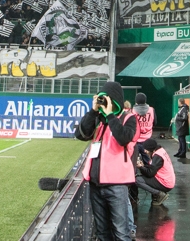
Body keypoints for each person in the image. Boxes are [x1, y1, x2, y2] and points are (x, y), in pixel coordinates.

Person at [75, 81, 138, 241]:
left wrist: (110, 115)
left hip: (117, 184)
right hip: (96, 183)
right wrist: (93, 111)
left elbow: (123, 138)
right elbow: (80, 134)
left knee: (121, 233)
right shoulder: (98, 119)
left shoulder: (128, 118)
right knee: (102, 232)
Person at [135, 139, 176, 206]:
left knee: (137, 180)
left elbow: (150, 173)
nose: (145, 151)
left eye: (146, 149)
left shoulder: (158, 156)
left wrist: (141, 167)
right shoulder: (160, 151)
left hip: (165, 183)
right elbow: (153, 168)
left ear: (151, 149)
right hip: (167, 180)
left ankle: (158, 194)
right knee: (142, 177)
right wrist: (144, 166)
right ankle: (157, 195)